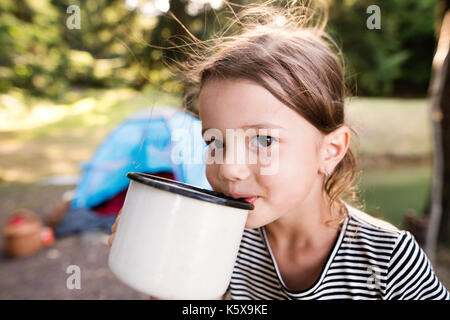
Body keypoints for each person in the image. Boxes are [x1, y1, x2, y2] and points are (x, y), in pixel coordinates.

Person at [109, 0, 449, 299]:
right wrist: (166, 279)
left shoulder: (391, 261)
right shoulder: (216, 243)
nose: (229, 168)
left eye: (264, 141)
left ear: (330, 151)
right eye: (214, 141)